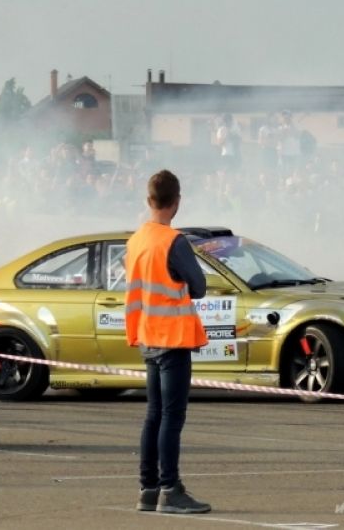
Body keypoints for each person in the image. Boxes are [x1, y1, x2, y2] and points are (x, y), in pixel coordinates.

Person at [125, 170, 211, 514]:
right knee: (172, 418)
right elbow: (199, 286)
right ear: (176, 203)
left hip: (146, 335)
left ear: (149, 201)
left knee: (153, 415)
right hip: (172, 338)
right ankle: (170, 489)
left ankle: (148, 489)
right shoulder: (173, 241)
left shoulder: (137, 241)